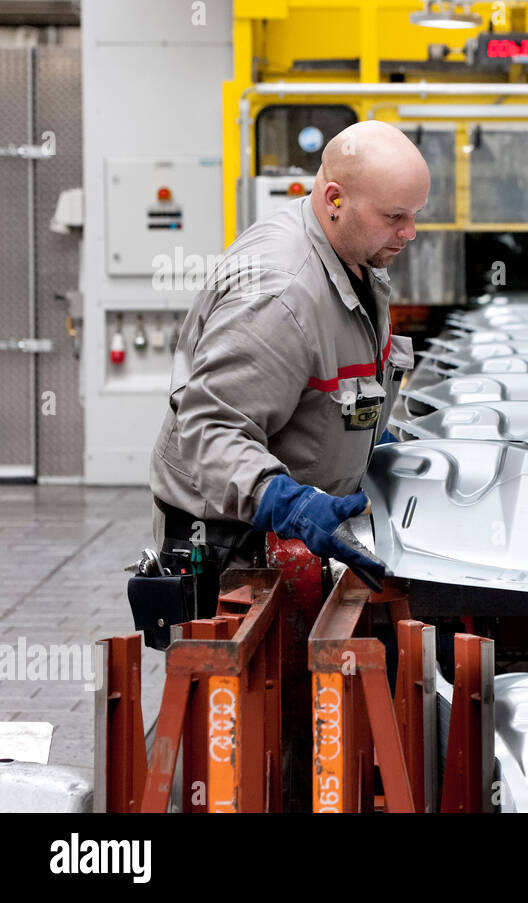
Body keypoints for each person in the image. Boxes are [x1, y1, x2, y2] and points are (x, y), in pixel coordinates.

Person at [142, 120, 429, 640]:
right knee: (242, 714)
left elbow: (332, 383)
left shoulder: (351, 254)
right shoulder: (281, 295)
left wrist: (367, 443)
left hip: (287, 543)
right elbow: (212, 433)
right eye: (396, 217)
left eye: (415, 216)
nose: (409, 233)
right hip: (236, 549)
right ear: (336, 197)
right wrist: (288, 503)